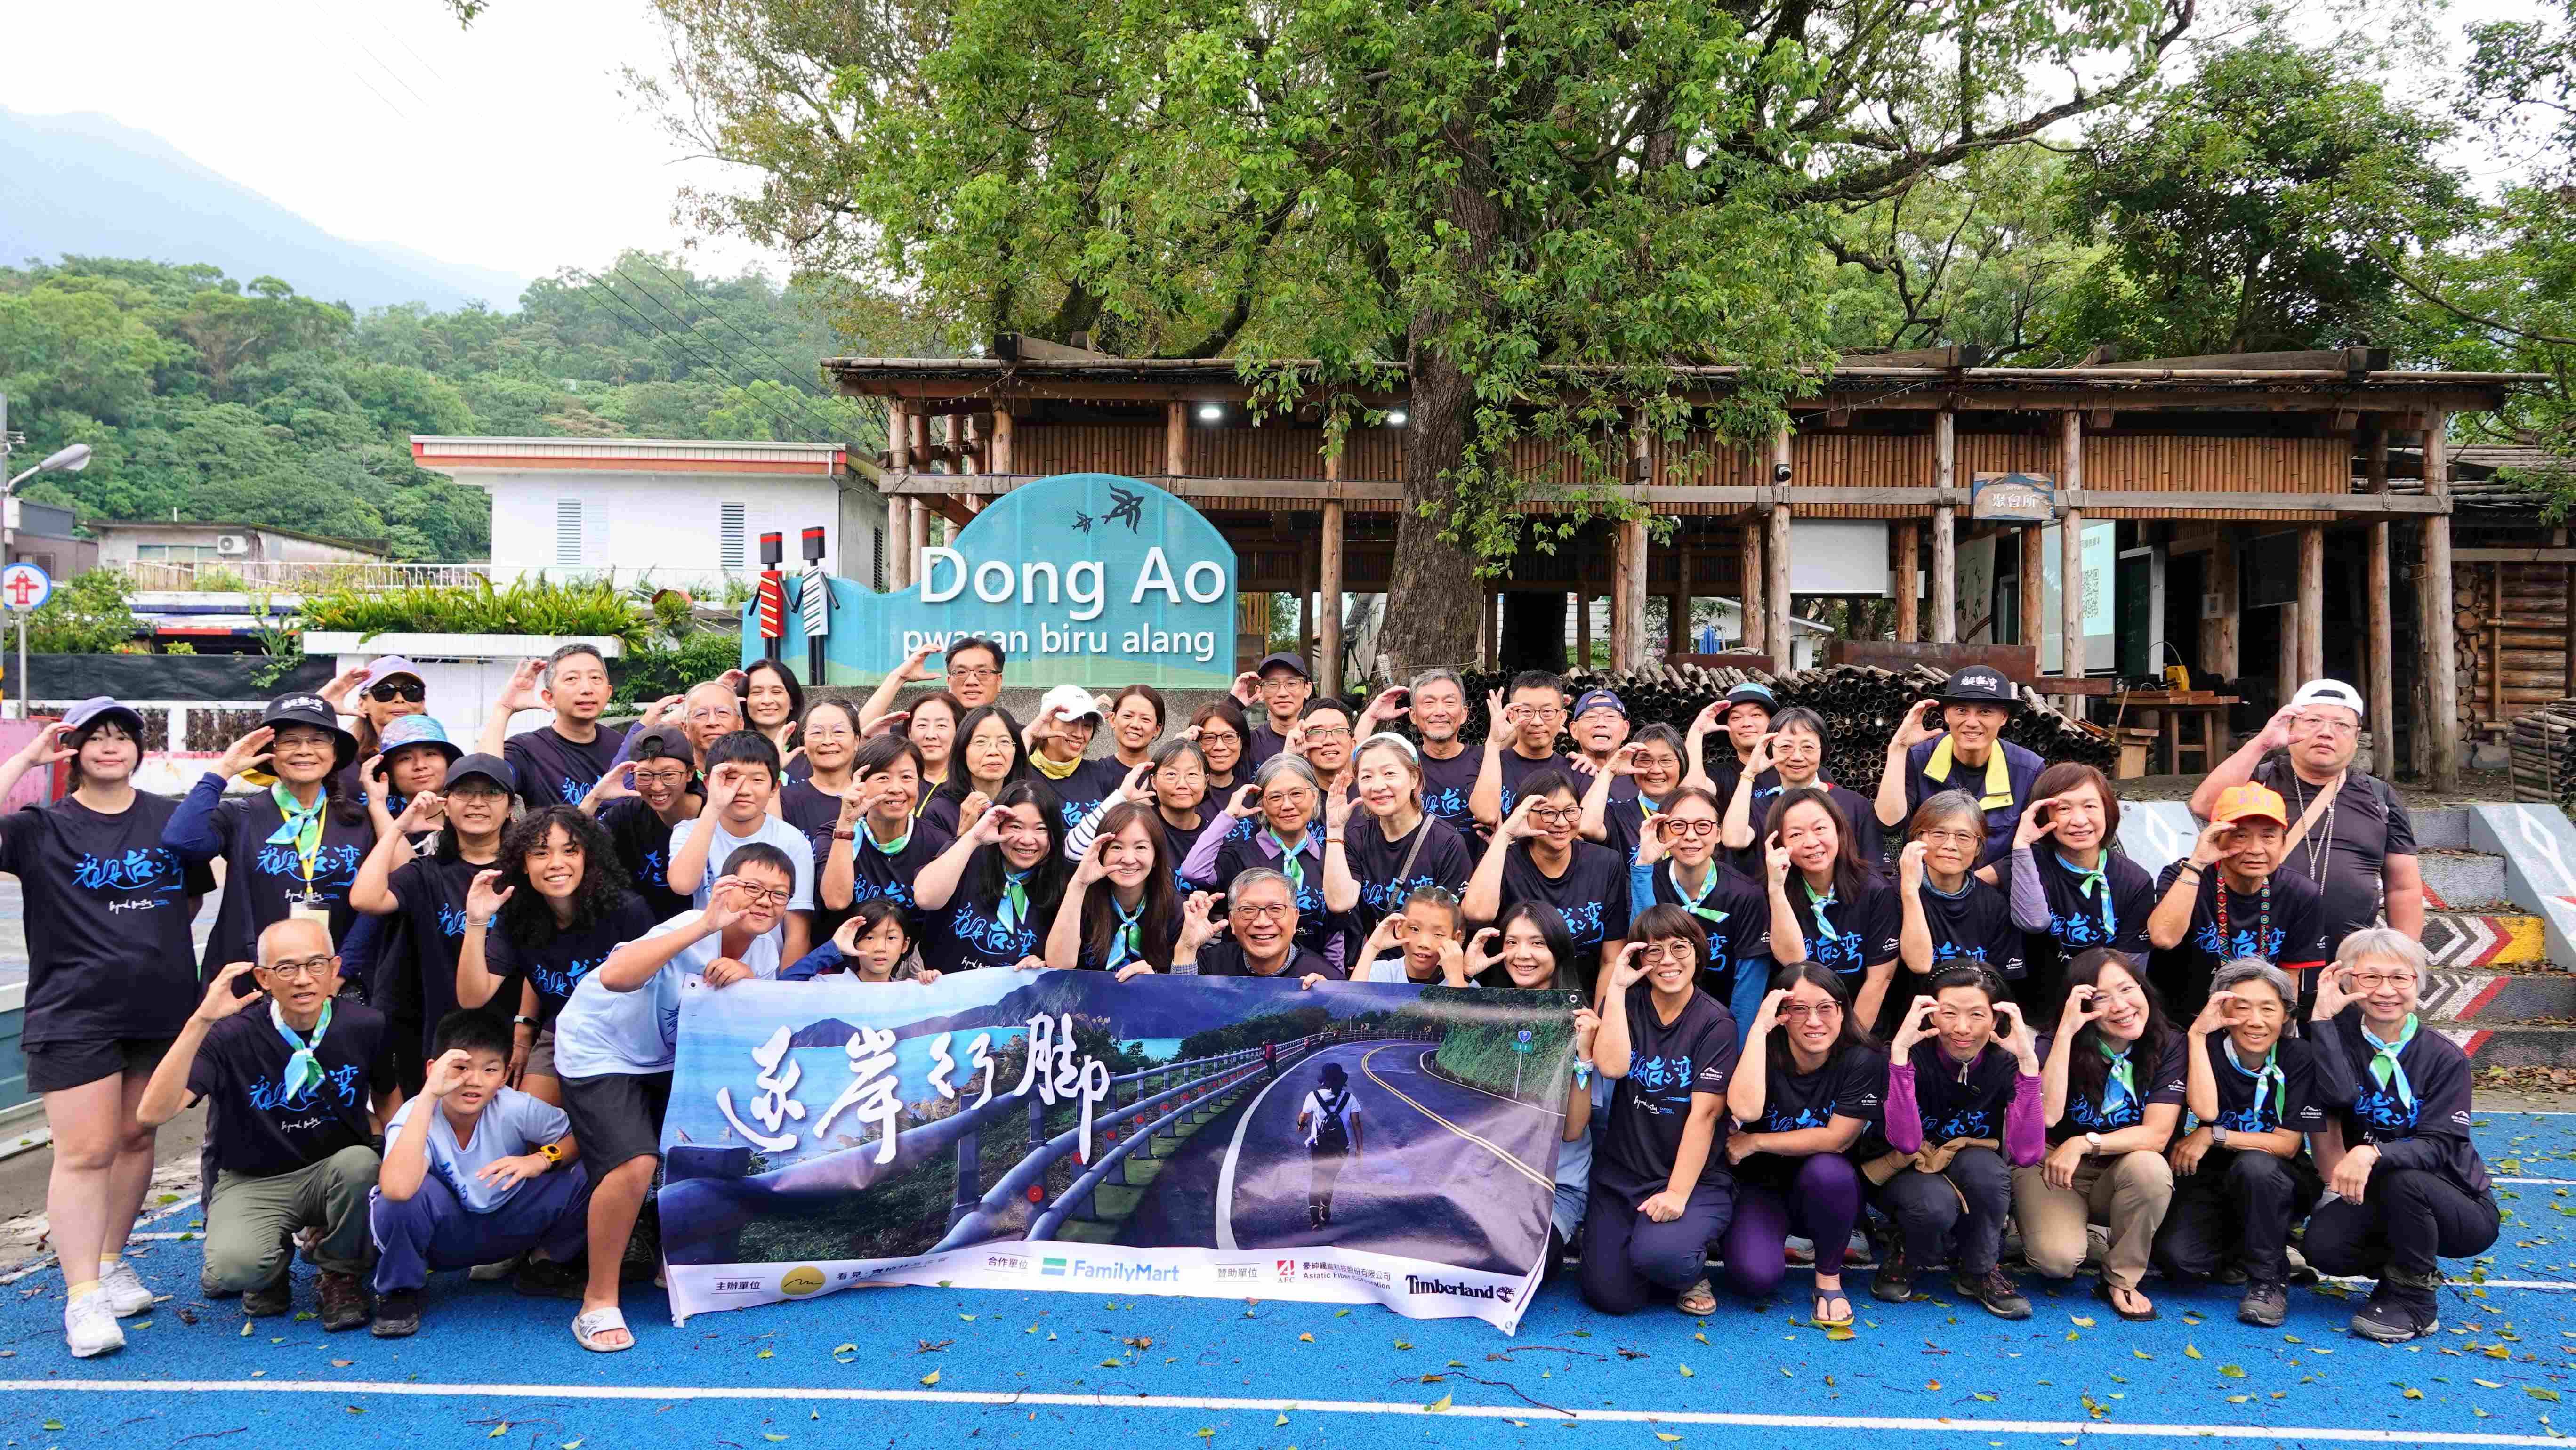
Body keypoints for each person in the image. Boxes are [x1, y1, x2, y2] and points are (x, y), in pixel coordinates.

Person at [0, 700, 214, 1356]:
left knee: (135, 1136)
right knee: (86, 1152)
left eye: (122, 736)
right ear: (73, 750)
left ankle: (111, 1260)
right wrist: (26, 760)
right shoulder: (40, 827)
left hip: (160, 1007)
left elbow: (190, 898)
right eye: (94, 737)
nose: (110, 746)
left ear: (140, 749)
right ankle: (83, 1296)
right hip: (74, 1011)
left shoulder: (171, 819)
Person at [556, 854, 795, 1352]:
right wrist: (705, 925)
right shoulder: (689, 923)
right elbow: (615, 976)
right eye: (753, 887)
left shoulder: (766, 948)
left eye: (778, 894)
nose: (764, 901)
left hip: (670, 1056)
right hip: (601, 1046)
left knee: (711, 1144)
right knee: (634, 1163)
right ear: (725, 886)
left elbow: (751, 1028)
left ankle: (678, 1264)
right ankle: (597, 1300)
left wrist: (747, 979)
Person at [137, 920, 396, 1333]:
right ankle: (270, 1266)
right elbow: (152, 1114)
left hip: (333, 1172)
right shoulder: (230, 1035)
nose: (303, 979)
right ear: (263, 978)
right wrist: (200, 1021)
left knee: (362, 1164)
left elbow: (387, 1097)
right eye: (286, 968)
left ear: (334, 968)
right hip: (255, 1180)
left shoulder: (365, 1025)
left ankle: (339, 1272)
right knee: (234, 1269)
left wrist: (395, 1154)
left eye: (315, 964)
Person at [2301, 929, 2499, 1344]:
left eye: (2399, 978)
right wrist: (2322, 1021)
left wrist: (2371, 1153)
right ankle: (2399, 1271)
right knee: (2324, 1248)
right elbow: (2338, 1096)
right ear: (2348, 982)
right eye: (2370, 978)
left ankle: (2415, 1299)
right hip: (2376, 1193)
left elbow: (2440, 1146)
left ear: (2418, 983)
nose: (2385, 990)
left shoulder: (2444, 1057)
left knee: (2404, 1179)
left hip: (2455, 1201)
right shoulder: (2339, 1042)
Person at [368, 1011, 592, 1337]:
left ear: (504, 1076)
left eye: (490, 1070)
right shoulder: (414, 1114)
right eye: (461, 1068)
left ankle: (545, 1265)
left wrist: (542, 1159)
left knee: (595, 1170)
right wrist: (429, 1095)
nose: (474, 1081)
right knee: (400, 1199)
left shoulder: (515, 1106)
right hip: (444, 1240)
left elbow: (582, 1135)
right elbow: (397, 1190)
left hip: (510, 1228)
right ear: (433, 1069)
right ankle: (401, 1289)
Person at [2189, 678, 2424, 959]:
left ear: (2356, 736)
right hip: (2256, 956)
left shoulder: (2380, 796)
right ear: (2290, 727)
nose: (2326, 733)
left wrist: (2403, 958)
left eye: (2341, 725)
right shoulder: (2257, 780)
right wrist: (2262, 744)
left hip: (2347, 961)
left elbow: (2402, 887)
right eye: (2313, 721)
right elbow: (2204, 806)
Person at [1580, 905, 1737, 1317]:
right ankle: (1650, 1250)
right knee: (1611, 1297)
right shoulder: (1626, 1003)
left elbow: (1706, 1115)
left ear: (1697, 952)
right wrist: (1616, 989)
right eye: (1654, 951)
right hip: (1623, 1175)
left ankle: (1686, 1267)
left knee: (1663, 1257)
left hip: (1692, 1178)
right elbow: (1612, 1067)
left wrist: (1678, 1193)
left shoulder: (1716, 1021)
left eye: (1679, 948)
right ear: (1640, 958)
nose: (1668, 960)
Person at [2152, 959, 2326, 1328]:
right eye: (2242, 1007)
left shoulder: (2299, 1056)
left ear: (2286, 1014)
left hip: (2280, 1174)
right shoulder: (2204, 1046)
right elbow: (2206, 1110)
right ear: (2222, 1010)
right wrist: (2197, 1036)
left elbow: (2286, 1145)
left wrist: (2214, 1134)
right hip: (2214, 1171)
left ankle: (2269, 1279)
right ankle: (2248, 1244)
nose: (2255, 1021)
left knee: (2255, 1166)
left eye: (2268, 1009)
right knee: (2179, 1260)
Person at [2021, 948, 2183, 1322]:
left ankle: (2122, 1278)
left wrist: (2085, 1143)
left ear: (2143, 988)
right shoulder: (2054, 1041)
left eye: (2127, 990)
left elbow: (2157, 1135)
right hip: (2056, 1167)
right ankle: (2051, 1230)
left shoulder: (2170, 1043)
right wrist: (2066, 1033)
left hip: (2120, 1169)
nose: (2120, 1006)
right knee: (2056, 1261)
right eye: (2101, 998)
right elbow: (2048, 1116)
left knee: (2151, 1167)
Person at [1870, 966, 2042, 1319]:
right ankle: (1908, 1252)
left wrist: (2028, 1064)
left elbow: (2027, 1154)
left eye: (1977, 1015)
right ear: (1931, 1014)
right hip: (1903, 1168)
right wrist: (1900, 1054)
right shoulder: (1907, 1054)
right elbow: (1906, 1142)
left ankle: (1980, 1270)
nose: (1962, 1028)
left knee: (1990, 1174)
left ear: (1996, 1019)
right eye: (1949, 1013)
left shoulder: (2005, 1061)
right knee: (1935, 1206)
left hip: (1967, 1162)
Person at [459, 806, 659, 1107]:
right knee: (526, 1119)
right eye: (541, 853)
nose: (556, 863)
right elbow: (472, 997)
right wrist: (476, 922)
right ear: (523, 864)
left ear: (587, 857)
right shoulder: (517, 917)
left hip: (629, 1036)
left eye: (570, 851)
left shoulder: (627, 911)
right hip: (564, 1031)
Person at [1721, 963, 1883, 1324]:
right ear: (1782, 1015)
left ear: (1842, 1011)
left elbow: (1837, 1139)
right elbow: (1744, 1108)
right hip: (1762, 1187)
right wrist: (1759, 1029)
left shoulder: (1863, 1058)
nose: (1814, 1021)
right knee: (1754, 1278)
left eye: (1825, 1008)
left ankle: (1828, 1279)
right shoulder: (1761, 1052)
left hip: (1827, 1191)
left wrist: (1755, 1141)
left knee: (1829, 1171)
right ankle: (1774, 1240)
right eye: (1799, 1010)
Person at [166, 695, 372, 979]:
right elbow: (182, 841)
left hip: (330, 978)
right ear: (270, 754)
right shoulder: (238, 815)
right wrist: (223, 770)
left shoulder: (362, 820)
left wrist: (341, 974)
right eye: (290, 741)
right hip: (250, 979)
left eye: (318, 740)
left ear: (335, 754)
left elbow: (373, 908)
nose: (304, 750)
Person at [351, 751, 517, 1093]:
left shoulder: (526, 873)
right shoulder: (427, 873)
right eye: (464, 793)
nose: (477, 803)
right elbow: (365, 899)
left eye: (491, 793)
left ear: (510, 808)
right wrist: (398, 828)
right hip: (438, 1034)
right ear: (446, 804)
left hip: (510, 1036)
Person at [2147, 783, 2327, 1021]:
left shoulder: (2300, 893)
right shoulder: (2183, 876)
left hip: (2254, 1023)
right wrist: (2198, 862)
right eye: (2240, 836)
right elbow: (2164, 938)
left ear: (2283, 843)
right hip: (2179, 1022)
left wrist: (2280, 1033)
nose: (2255, 849)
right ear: (2216, 839)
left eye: (2268, 836)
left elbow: (2288, 981)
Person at [2007, 762, 2153, 1024]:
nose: (2079, 820)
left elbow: (2131, 972)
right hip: (2036, 1020)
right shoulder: (2027, 863)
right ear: (2043, 816)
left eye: (2090, 806)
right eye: (2064, 808)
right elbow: (2033, 921)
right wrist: (2022, 844)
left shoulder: (2135, 881)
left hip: (2105, 1017)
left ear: (2108, 810)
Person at [1466, 769, 1632, 991]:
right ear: (1525, 814)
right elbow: (1477, 914)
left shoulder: (1606, 863)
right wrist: (1506, 835)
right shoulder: (1503, 862)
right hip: (1509, 1000)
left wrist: (1600, 1011)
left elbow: (1611, 960)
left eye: (1570, 811)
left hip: (1583, 1000)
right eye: (1549, 813)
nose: (1562, 822)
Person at [1627, 785, 1770, 1028]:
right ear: (1662, 832)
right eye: (1678, 826)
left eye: (1703, 826)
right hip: (1657, 1016)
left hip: (1723, 1021)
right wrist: (1644, 866)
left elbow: (1749, 987)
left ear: (1718, 833)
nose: (1691, 836)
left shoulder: (1746, 894)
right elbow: (1642, 951)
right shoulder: (1644, 879)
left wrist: (1734, 1043)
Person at [668, 731, 816, 964]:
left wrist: (784, 984)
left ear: (775, 787)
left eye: (757, 780)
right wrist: (713, 807)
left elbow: (797, 932)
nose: (743, 790)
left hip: (765, 971)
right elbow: (682, 885)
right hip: (702, 963)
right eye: (731, 778)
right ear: (708, 782)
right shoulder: (689, 831)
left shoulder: (792, 840)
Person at [1183, 755, 1342, 971]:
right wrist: (1229, 815)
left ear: (1314, 797)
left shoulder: (1330, 859)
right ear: (1262, 806)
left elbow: (1335, 937)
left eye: (1297, 794)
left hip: (1311, 979)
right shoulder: (1240, 854)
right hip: (1243, 976)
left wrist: (1332, 982)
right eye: (1275, 797)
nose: (1287, 805)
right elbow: (1193, 872)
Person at [1875, 667, 2043, 870]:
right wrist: (1898, 748)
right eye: (1961, 710)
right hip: (1925, 883)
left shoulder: (2029, 771)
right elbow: (1889, 825)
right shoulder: (1919, 758)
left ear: (2004, 718)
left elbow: (2036, 848)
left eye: (1985, 712)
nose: (1972, 723)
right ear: (1947, 714)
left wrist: (1972, 883)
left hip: (1995, 887)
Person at [1762, 787, 1901, 1030]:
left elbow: (1879, 980)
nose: (1811, 842)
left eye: (1820, 829)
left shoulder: (1875, 890)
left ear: (1839, 829)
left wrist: (1850, 1040)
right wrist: (1776, 889)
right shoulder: (1769, 892)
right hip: (1796, 1024)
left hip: (1860, 1022)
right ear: (1779, 844)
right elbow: (1793, 962)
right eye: (1795, 834)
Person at [1326, 733, 1475, 957]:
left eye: (1389, 773)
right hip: (1374, 967)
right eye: (1367, 777)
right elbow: (1340, 903)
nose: (1378, 786)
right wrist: (1335, 829)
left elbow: (1451, 927)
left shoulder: (1446, 842)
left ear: (1414, 778)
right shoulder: (1357, 838)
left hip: (1426, 966)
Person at [1894, 791, 2024, 1033]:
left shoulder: (1995, 905)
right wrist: (1910, 890)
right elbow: (1918, 965)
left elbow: (2002, 986)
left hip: (1972, 1031)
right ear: (1917, 839)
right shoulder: (1893, 895)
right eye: (1938, 834)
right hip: (1908, 1027)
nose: (1950, 845)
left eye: (1964, 836)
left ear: (1979, 846)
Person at [911, 780, 1067, 973]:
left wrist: (1042, 962)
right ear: (999, 826)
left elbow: (1064, 961)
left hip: (1014, 992)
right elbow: (926, 899)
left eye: (1041, 829)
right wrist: (974, 837)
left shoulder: (1061, 881)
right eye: (1016, 827)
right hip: (943, 987)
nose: (1027, 840)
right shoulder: (966, 856)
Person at [818, 735, 953, 943]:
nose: (896, 788)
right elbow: (836, 902)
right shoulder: (835, 834)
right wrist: (846, 823)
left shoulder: (938, 842)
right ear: (860, 784)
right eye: (883, 778)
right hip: (842, 959)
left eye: (907, 777)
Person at [1715, 708, 1876, 876]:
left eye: (1808, 747)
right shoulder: (1761, 806)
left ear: (1823, 750)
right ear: (1771, 749)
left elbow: (1874, 872)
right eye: (1786, 747)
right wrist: (1749, 773)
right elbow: (1734, 840)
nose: (1797, 757)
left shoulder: (1855, 804)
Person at [581, 726, 704, 922]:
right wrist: (595, 797)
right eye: (645, 775)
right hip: (647, 930)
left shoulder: (715, 813)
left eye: (669, 775)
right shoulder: (627, 815)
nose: (657, 787)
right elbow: (571, 846)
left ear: (690, 773)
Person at [1046, 801, 1183, 976]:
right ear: (1102, 853)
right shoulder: (1079, 899)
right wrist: (1079, 885)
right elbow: (1058, 964)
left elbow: (1184, 987)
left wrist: (1154, 982)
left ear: (1156, 857)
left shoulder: (1176, 909)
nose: (1128, 859)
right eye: (1117, 847)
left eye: (1140, 847)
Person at [482, 645, 627, 810]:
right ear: (549, 697)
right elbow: (486, 782)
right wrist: (504, 708)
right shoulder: (527, 750)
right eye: (572, 679)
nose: (587, 689)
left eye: (595, 678)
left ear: (608, 692)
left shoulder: (620, 745)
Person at [1066, 740, 1215, 893]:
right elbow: (1073, 851)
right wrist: (1121, 797)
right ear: (1154, 781)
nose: (1182, 784)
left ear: (1206, 781)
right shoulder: (1137, 823)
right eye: (1171, 774)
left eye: (1192, 774)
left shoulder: (1216, 833)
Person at [1175, 873, 1341, 982]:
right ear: (1232, 921)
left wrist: (1328, 1005)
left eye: (1275, 909)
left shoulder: (1326, 979)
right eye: (1248, 910)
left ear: (1295, 918)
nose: (1262, 922)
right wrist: (1187, 948)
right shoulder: (1211, 966)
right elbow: (1180, 1014)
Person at [1471, 672, 1574, 828]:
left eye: (1547, 712)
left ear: (1562, 717)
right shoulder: (1485, 763)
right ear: (1511, 716)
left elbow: (1583, 830)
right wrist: (1494, 741)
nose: (1537, 721)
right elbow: (1487, 815)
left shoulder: (1576, 770)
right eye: (1526, 712)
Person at [1580, 725, 1689, 867]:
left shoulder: (1696, 812)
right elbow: (1586, 827)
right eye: (1645, 761)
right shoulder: (1618, 815)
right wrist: (1609, 771)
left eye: (1666, 761)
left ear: (1682, 764)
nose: (1656, 770)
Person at [925, 705, 1032, 835]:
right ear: (962, 750)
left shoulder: (1030, 804)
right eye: (981, 742)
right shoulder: (939, 811)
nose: (993, 751)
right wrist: (965, 834)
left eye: (1004, 742)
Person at [1405, 670, 1483, 843]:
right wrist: (1370, 718)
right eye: (1429, 703)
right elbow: (1356, 772)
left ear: (1464, 713)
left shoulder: (1487, 761)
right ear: (1413, 715)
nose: (1440, 712)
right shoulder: (1404, 764)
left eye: (1449, 702)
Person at [859, 637, 1008, 726]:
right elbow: (860, 736)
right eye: (961, 672)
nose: (971, 681)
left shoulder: (1015, 736)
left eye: (982, 672)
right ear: (949, 682)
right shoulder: (926, 735)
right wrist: (898, 678)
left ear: (999, 681)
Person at [1023, 684, 1111, 825]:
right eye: (1071, 722)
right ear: (1047, 721)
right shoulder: (1022, 773)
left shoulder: (1100, 774)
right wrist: (1029, 735)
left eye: (1087, 725)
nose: (1079, 734)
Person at [783, 899, 924, 982]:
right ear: (854, 942)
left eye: (891, 938)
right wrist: (833, 948)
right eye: (869, 938)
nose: (880, 947)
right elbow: (786, 984)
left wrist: (932, 983)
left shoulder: (907, 991)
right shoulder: (833, 986)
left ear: (905, 945)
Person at [1296, 1062, 1365, 1228]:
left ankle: (1315, 1221)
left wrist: (1301, 1124)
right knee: (1329, 1179)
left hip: (1319, 1145)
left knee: (1317, 1178)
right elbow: (1356, 1124)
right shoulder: (1350, 1098)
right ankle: (1325, 1210)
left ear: (1323, 1080)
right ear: (1341, 1080)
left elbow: (1303, 1116)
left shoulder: (1313, 1096)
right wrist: (1360, 1148)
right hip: (1341, 1147)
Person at [1352, 885, 1467, 983]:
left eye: (1438, 934)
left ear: (1455, 939)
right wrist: (1372, 948)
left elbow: (1462, 1002)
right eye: (1415, 929)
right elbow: (1351, 1001)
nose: (1424, 944)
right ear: (1399, 928)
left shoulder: (1463, 984)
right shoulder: (1379, 973)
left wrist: (1456, 980)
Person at [1686, 681, 1776, 806]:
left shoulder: (1792, 767)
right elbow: (1692, 793)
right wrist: (1697, 730)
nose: (1746, 723)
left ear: (1772, 722)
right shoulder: (1721, 774)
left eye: (1756, 715)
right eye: (1736, 717)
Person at [365, 713, 458, 826]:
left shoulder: (471, 817)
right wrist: (377, 802)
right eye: (406, 758)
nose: (420, 765)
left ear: (449, 763)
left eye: (430, 754)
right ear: (390, 775)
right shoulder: (368, 825)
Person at [1235, 652, 1313, 768]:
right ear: (1260, 692)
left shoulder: (1321, 740)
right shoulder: (1248, 745)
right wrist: (1233, 704)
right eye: (1272, 684)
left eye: (1292, 683)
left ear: (1307, 689)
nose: (1283, 693)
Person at [898, 689, 966, 806]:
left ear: (959, 731)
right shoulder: (894, 783)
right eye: (922, 725)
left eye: (941, 725)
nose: (930, 735)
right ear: (910, 732)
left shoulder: (971, 785)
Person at [739, 659, 805, 770]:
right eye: (756, 692)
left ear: (792, 701)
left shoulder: (810, 751)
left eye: (776, 692)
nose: (767, 701)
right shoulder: (732, 752)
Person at [1567, 689, 1635, 790]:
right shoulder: (1564, 776)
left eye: (1611, 716)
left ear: (1625, 730)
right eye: (1591, 717)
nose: (1601, 723)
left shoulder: (1640, 777)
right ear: (1574, 730)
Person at [1289, 696, 1359, 795]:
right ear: (1304, 748)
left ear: (1353, 745)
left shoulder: (1370, 793)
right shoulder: (1294, 798)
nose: (1329, 741)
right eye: (1318, 732)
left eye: (1339, 731)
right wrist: (1289, 755)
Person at [1188, 697, 1252, 798]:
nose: (1220, 747)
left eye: (1229, 737)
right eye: (1209, 738)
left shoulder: (1252, 794)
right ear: (1195, 742)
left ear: (1242, 742)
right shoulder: (1183, 793)